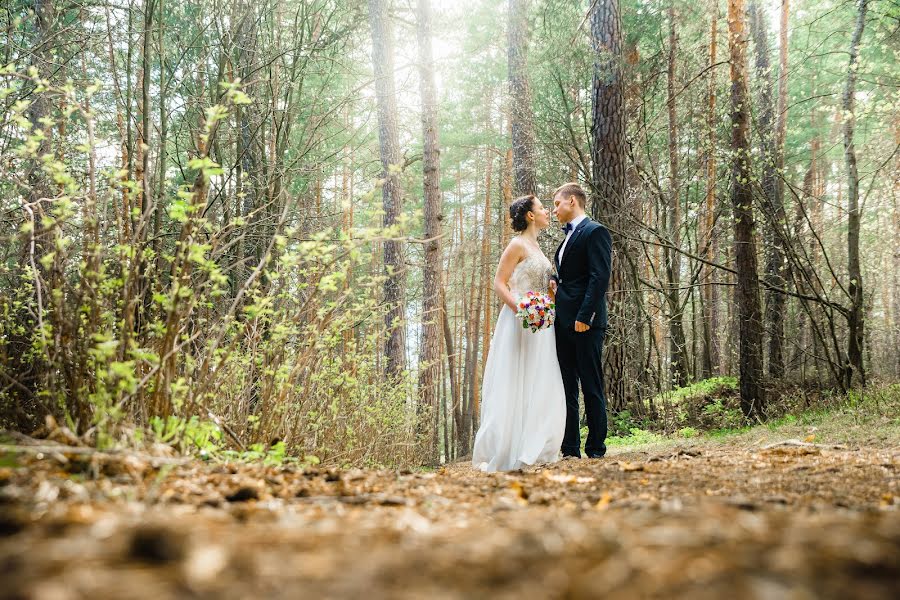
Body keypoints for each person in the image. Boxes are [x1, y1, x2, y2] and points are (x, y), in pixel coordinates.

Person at [471, 195, 566, 472]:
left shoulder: (539, 248)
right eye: (541, 208)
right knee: (514, 379)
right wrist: (521, 309)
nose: (547, 211)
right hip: (519, 319)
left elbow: (543, 283)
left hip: (542, 323)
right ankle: (507, 447)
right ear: (530, 215)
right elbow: (499, 284)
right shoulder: (516, 245)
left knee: (541, 378)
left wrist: (551, 294)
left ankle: (535, 443)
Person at [549, 182, 613, 459]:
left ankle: (596, 448)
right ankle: (570, 448)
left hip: (585, 321)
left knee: (591, 385)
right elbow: (573, 276)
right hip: (562, 323)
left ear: (572, 201)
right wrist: (555, 281)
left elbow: (600, 277)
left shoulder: (595, 231)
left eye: (557, 204)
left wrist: (585, 316)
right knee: (566, 388)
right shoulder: (565, 239)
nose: (554, 211)